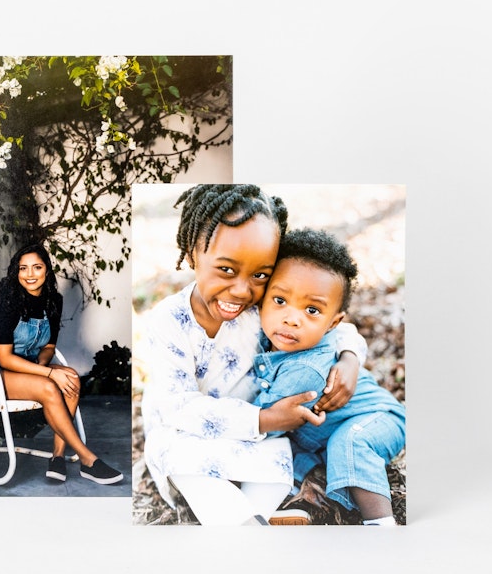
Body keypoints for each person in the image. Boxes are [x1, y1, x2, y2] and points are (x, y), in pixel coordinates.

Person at [137, 184, 367, 525]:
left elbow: (327, 323)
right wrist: (265, 420)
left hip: (253, 436)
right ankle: (244, 526)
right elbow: (176, 406)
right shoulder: (168, 321)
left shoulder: (257, 306)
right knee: (184, 462)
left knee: (276, 461)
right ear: (191, 255)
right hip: (187, 432)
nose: (243, 289)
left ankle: (258, 516)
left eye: (260, 274)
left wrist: (350, 357)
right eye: (226, 270)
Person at [252, 228, 405, 525]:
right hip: (320, 433)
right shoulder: (271, 335)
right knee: (294, 451)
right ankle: (306, 501)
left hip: (378, 419)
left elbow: (263, 422)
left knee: (349, 444)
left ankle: (381, 526)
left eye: (311, 310)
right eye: (280, 300)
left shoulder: (307, 370)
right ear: (262, 299)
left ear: (333, 323)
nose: (291, 318)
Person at [0, 242, 122, 484]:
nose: (30, 274)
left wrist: (44, 367)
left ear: (47, 270)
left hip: (25, 367)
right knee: (50, 386)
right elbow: (5, 358)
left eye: (36, 267)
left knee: (71, 378)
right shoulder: (7, 301)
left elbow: (49, 347)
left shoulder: (53, 300)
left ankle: (58, 457)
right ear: (16, 272)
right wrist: (47, 374)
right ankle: (87, 459)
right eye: (23, 268)